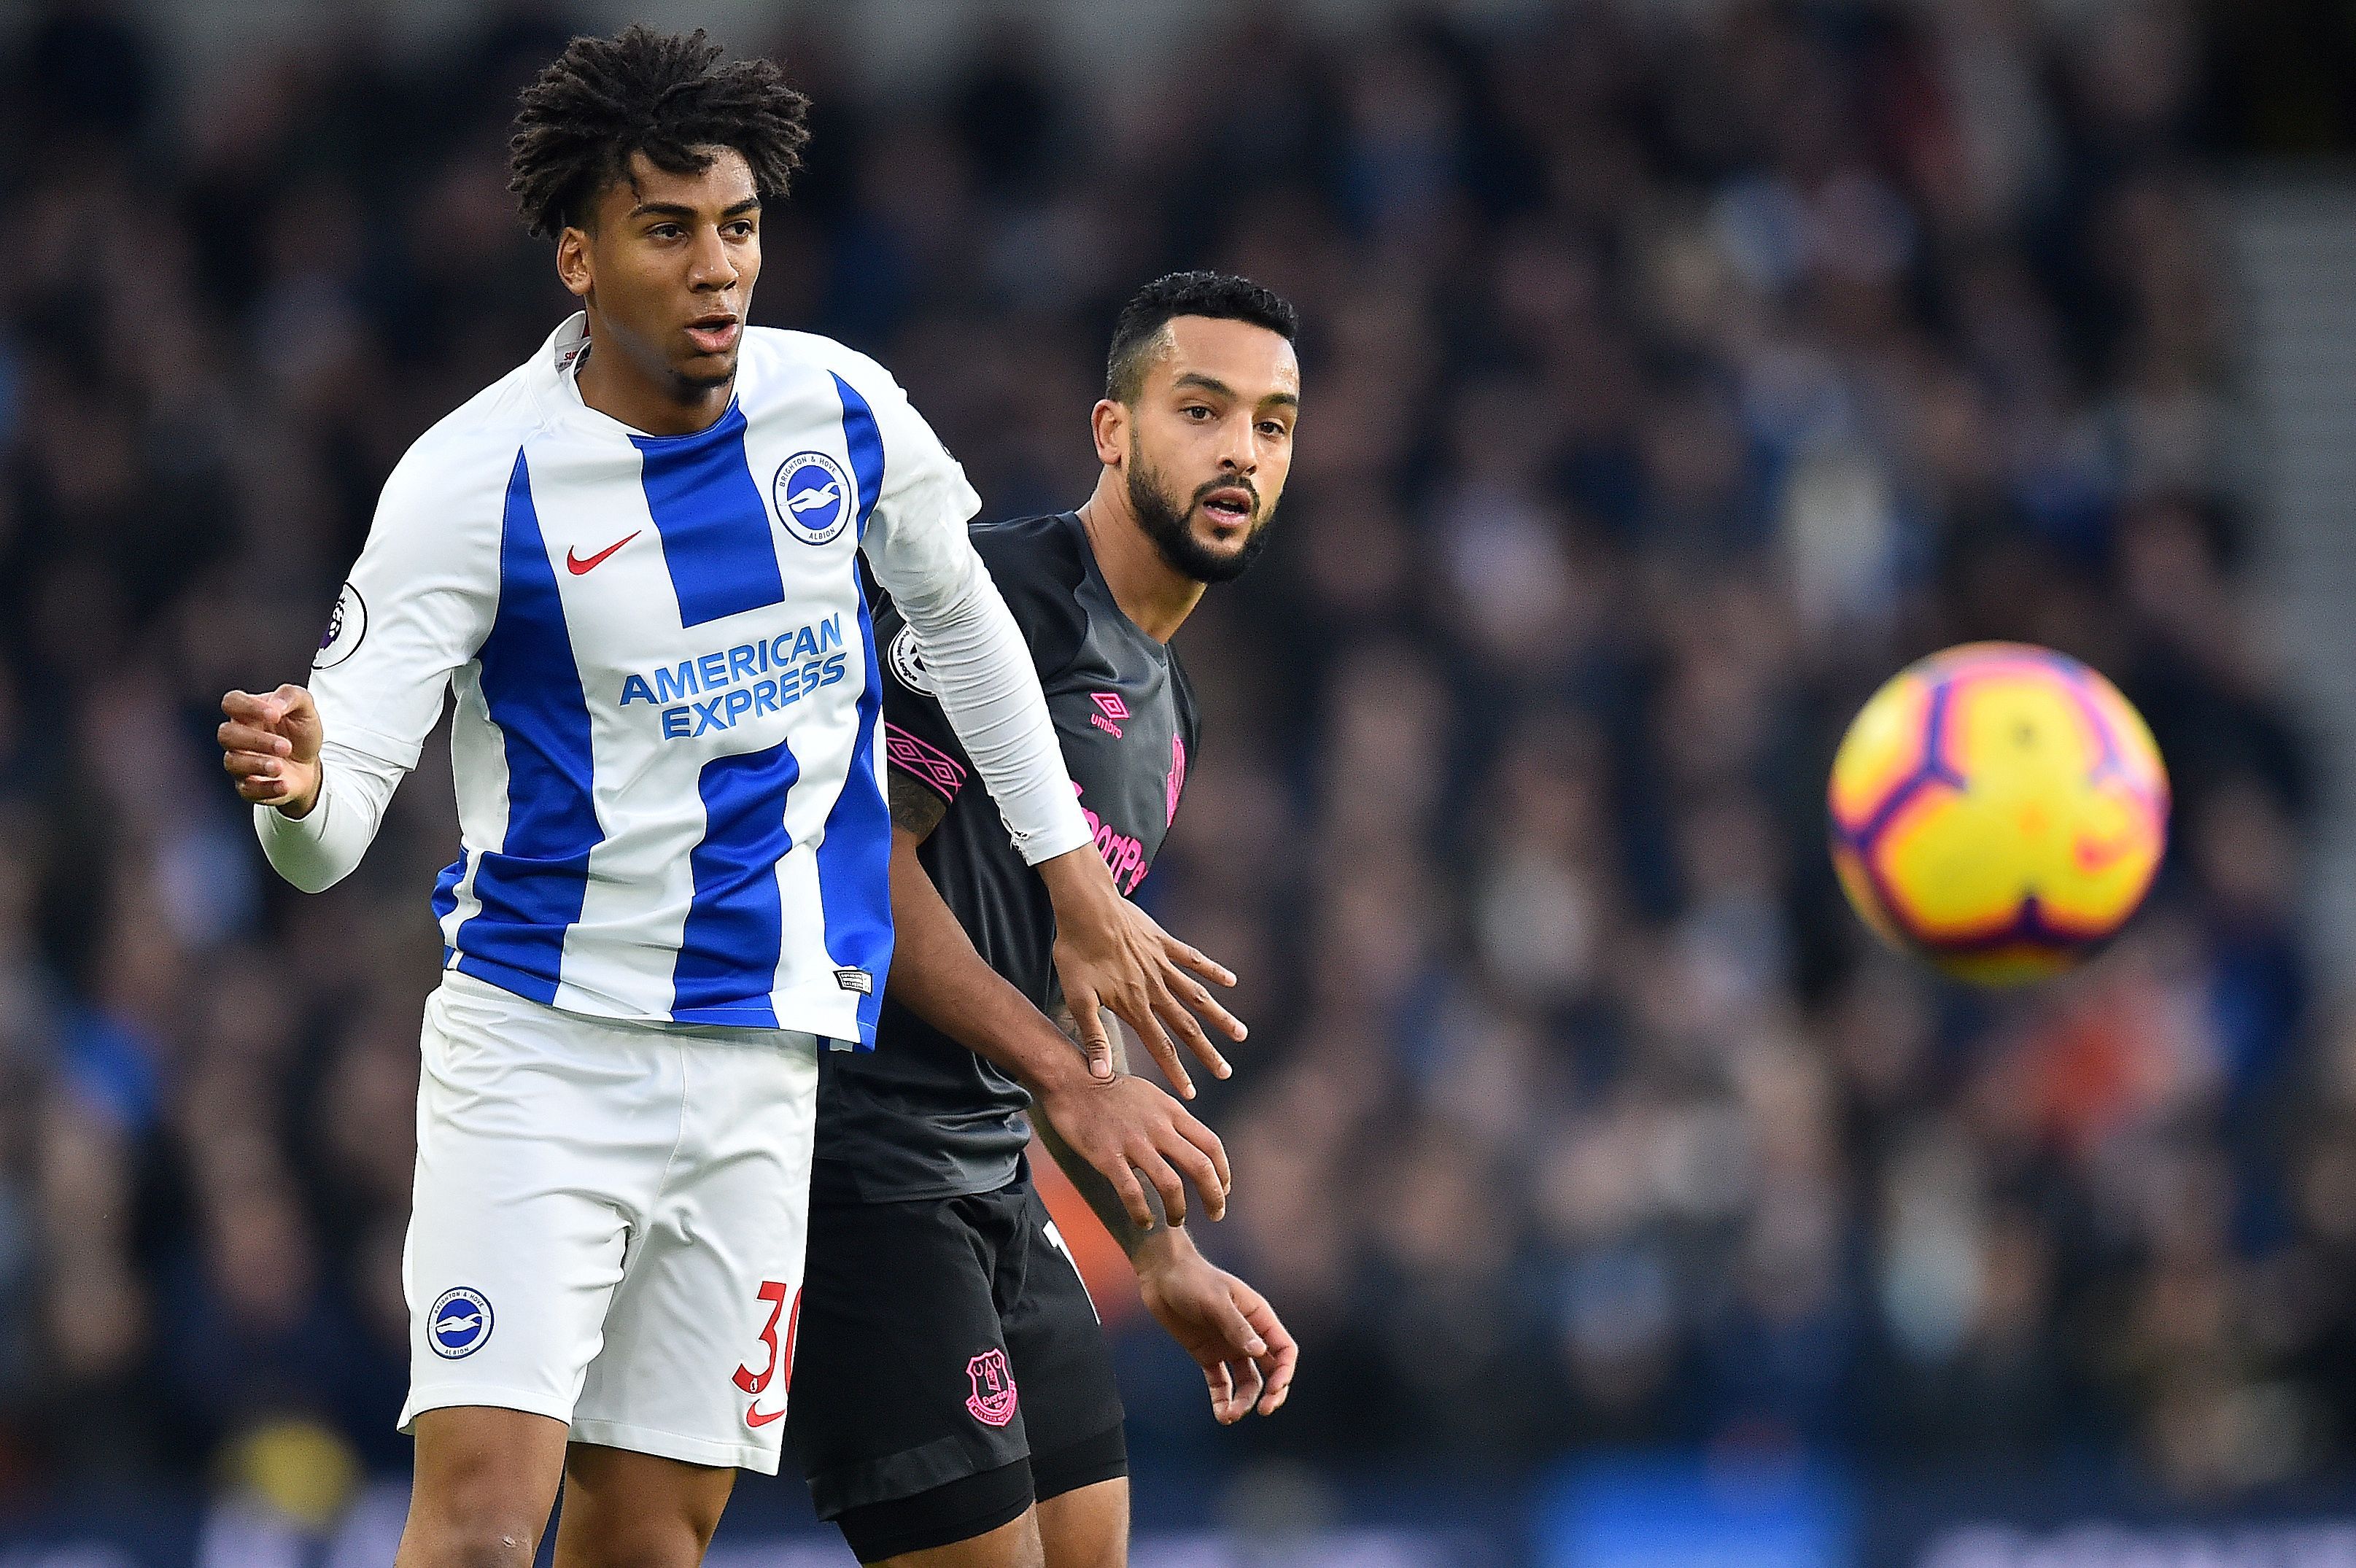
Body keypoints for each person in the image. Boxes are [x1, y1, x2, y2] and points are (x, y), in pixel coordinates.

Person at [213, 30, 1235, 1568]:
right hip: (545, 1052)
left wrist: (1067, 875)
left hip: (762, 1070)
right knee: (487, 1519)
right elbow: (334, 812)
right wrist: (298, 791)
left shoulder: (839, 409)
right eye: (667, 229)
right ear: (578, 254)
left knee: (649, 1537)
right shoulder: (469, 480)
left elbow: (958, 628)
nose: (716, 267)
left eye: (738, 226)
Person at [787, 273, 1304, 1567]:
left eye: (1273, 423)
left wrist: (1161, 1250)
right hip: (853, 1165)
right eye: (1202, 409)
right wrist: (1067, 1087)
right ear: (1112, 429)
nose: (1240, 449)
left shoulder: (1172, 714)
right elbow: (858, 873)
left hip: (990, 1176)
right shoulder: (996, 600)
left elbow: (1077, 981)